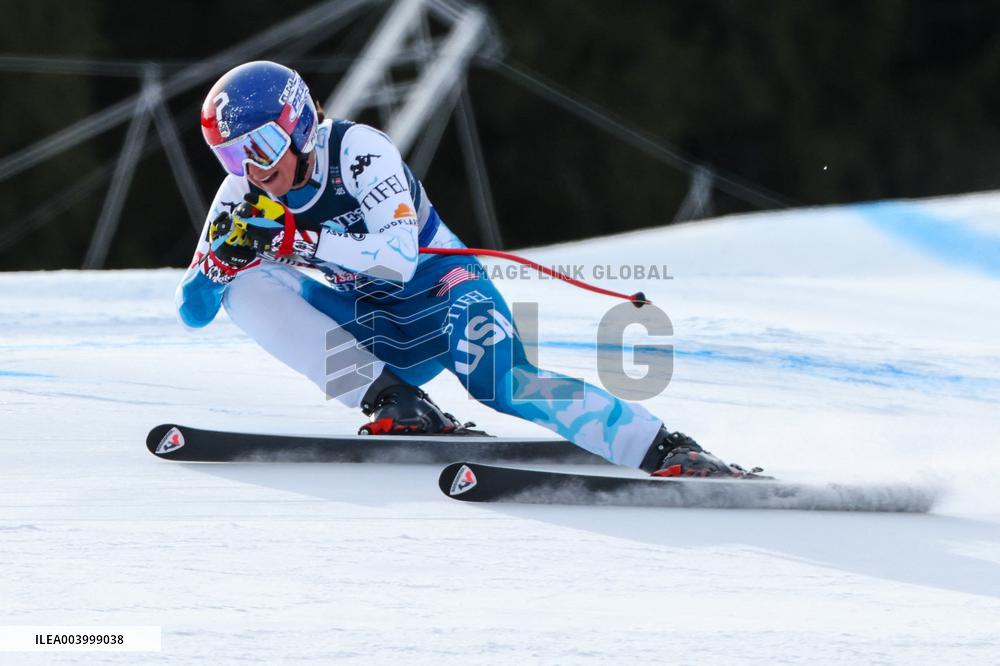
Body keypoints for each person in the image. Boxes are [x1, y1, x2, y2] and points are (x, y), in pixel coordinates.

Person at [176, 60, 741, 477]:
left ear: (298, 123)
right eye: (231, 155)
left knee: (503, 384)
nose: (252, 169)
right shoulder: (240, 196)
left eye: (262, 146)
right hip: (375, 331)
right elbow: (193, 312)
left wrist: (296, 238)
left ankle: (664, 447)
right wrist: (217, 266)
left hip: (446, 297)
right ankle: (394, 398)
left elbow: (399, 262)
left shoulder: (358, 151)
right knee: (243, 283)